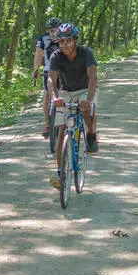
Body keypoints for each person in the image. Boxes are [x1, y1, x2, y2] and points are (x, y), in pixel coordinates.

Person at [48, 23, 99, 188]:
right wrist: (55, 98)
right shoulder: (56, 56)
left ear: (75, 41)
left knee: (85, 109)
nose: (64, 45)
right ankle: (60, 172)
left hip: (85, 89)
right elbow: (51, 79)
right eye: (61, 42)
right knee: (62, 130)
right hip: (66, 92)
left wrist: (89, 100)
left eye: (68, 41)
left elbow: (92, 76)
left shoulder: (86, 53)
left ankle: (91, 133)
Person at [32, 17, 61, 137]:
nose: (53, 33)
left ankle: (63, 122)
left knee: (64, 94)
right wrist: (36, 69)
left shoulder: (65, 37)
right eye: (51, 31)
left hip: (63, 71)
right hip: (48, 71)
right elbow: (38, 55)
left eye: (56, 30)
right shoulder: (43, 39)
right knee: (47, 96)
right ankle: (47, 125)